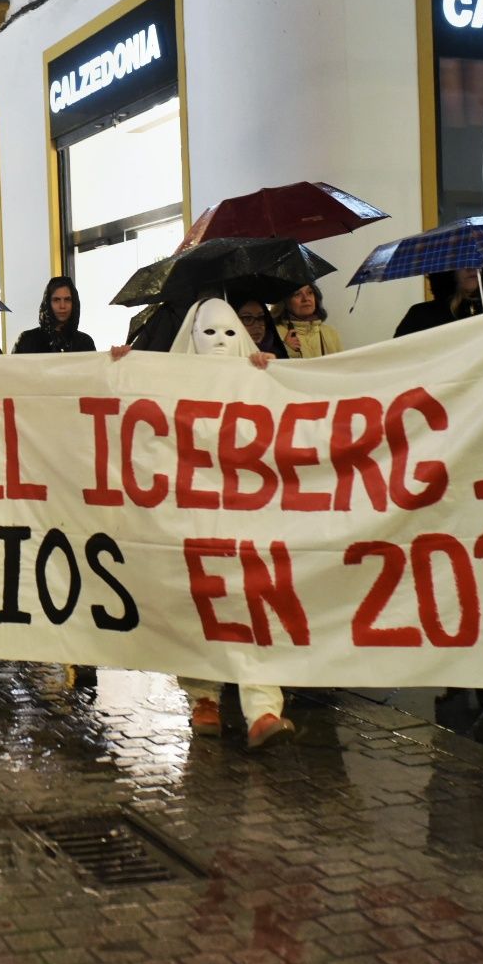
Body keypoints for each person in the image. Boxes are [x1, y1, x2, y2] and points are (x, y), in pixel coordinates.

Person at [168, 298, 294, 749]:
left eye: (229, 333)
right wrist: (123, 369)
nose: (220, 343)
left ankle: (262, 705)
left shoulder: (259, 373)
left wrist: (278, 375)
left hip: (249, 512)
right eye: (210, 333)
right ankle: (204, 698)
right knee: (203, 600)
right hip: (196, 513)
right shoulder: (168, 380)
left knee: (256, 596)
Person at [394, 263, 483, 337]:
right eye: (462, 262)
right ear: (448, 271)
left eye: (476, 260)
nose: (471, 268)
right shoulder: (421, 315)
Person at [13, 276, 96, 354]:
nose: (62, 306)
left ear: (74, 303)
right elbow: (11, 367)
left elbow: (97, 368)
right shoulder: (27, 340)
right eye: (56, 300)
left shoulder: (85, 343)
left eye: (67, 299)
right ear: (48, 303)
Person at [271, 283, 340, 357]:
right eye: (297, 294)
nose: (306, 299)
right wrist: (286, 349)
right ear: (285, 302)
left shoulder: (330, 332)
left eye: (310, 292)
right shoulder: (274, 334)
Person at [234, 294, 290, 360]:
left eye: (261, 318)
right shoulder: (227, 355)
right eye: (247, 318)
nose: (257, 326)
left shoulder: (278, 355)